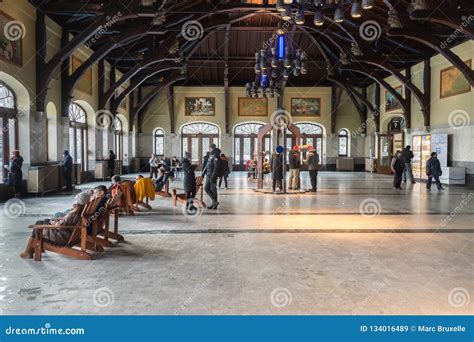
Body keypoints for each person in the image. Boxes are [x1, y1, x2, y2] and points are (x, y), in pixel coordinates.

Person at [20, 190, 93, 258]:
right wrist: (59, 220)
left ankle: (28, 251)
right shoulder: (82, 212)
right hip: (71, 235)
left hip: (62, 237)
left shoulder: (73, 213)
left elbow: (61, 226)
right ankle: (37, 248)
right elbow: (66, 222)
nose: (74, 202)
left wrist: (53, 222)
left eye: (76, 201)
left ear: (78, 203)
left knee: (38, 224)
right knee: (45, 220)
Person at [202, 143, 222, 209]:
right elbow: (207, 165)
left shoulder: (216, 155)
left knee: (213, 189)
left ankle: (214, 204)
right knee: (207, 189)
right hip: (208, 174)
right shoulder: (211, 155)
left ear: (212, 148)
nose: (208, 149)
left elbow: (216, 167)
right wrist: (203, 173)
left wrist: (213, 176)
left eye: (209, 148)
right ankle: (214, 202)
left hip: (212, 175)